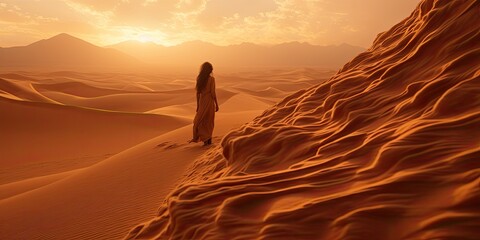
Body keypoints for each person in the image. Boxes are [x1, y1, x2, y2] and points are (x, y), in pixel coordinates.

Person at [189, 62, 219, 146]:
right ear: (209, 70)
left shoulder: (199, 78)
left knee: (201, 121)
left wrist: (198, 105)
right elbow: (213, 93)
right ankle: (208, 140)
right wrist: (217, 104)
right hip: (209, 102)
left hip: (202, 102)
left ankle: (205, 139)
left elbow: (198, 93)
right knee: (209, 121)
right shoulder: (211, 79)